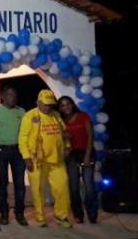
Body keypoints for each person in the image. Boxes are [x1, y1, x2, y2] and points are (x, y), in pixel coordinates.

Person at [19, 89, 72, 228]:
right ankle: (40, 216)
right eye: (46, 104)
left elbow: (64, 132)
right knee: (37, 189)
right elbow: (23, 138)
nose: (48, 107)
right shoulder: (30, 116)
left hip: (57, 160)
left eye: (50, 104)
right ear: (39, 102)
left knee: (62, 188)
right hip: (37, 160)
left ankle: (61, 216)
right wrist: (26, 157)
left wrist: (67, 146)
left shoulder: (56, 115)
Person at [0, 87, 28, 226]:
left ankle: (19, 213)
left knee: (20, 184)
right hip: (0, 151)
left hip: (18, 151)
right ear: (3, 96)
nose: (12, 97)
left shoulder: (21, 111)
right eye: (9, 94)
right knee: (1, 183)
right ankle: (4, 213)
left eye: (14, 94)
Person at [58, 96, 98, 224]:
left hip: (87, 152)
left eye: (68, 104)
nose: (66, 107)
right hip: (71, 154)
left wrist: (87, 155)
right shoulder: (62, 120)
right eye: (63, 105)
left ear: (72, 104)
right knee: (73, 187)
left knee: (89, 186)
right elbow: (61, 139)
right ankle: (78, 214)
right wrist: (65, 138)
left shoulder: (83, 116)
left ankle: (92, 214)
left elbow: (90, 135)